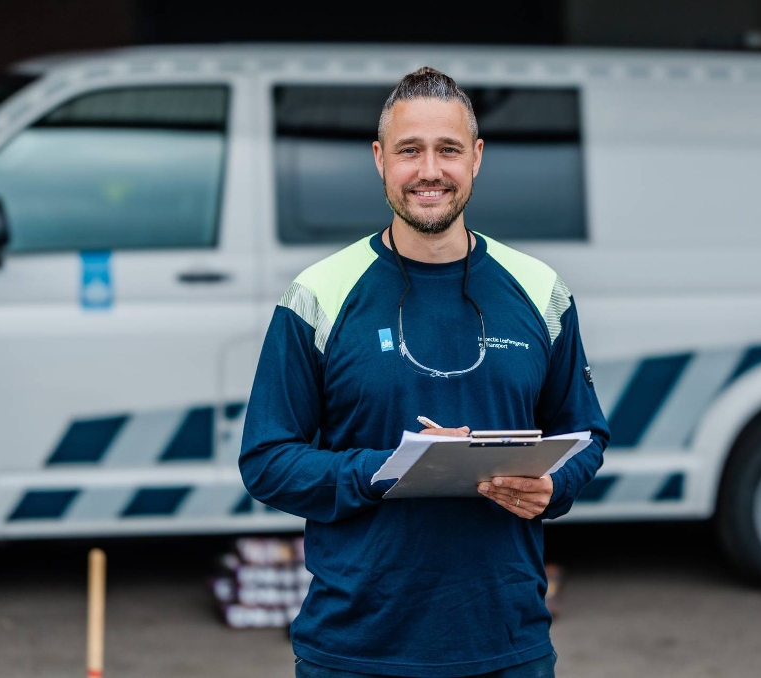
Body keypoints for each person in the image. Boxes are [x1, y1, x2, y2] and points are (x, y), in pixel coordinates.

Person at [240, 67, 610, 678]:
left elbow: (585, 435)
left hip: (506, 642)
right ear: (380, 159)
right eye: (410, 150)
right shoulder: (319, 294)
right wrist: (390, 468)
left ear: (478, 158)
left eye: (449, 150)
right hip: (356, 649)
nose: (430, 171)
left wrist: (554, 486)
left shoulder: (542, 291)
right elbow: (267, 461)